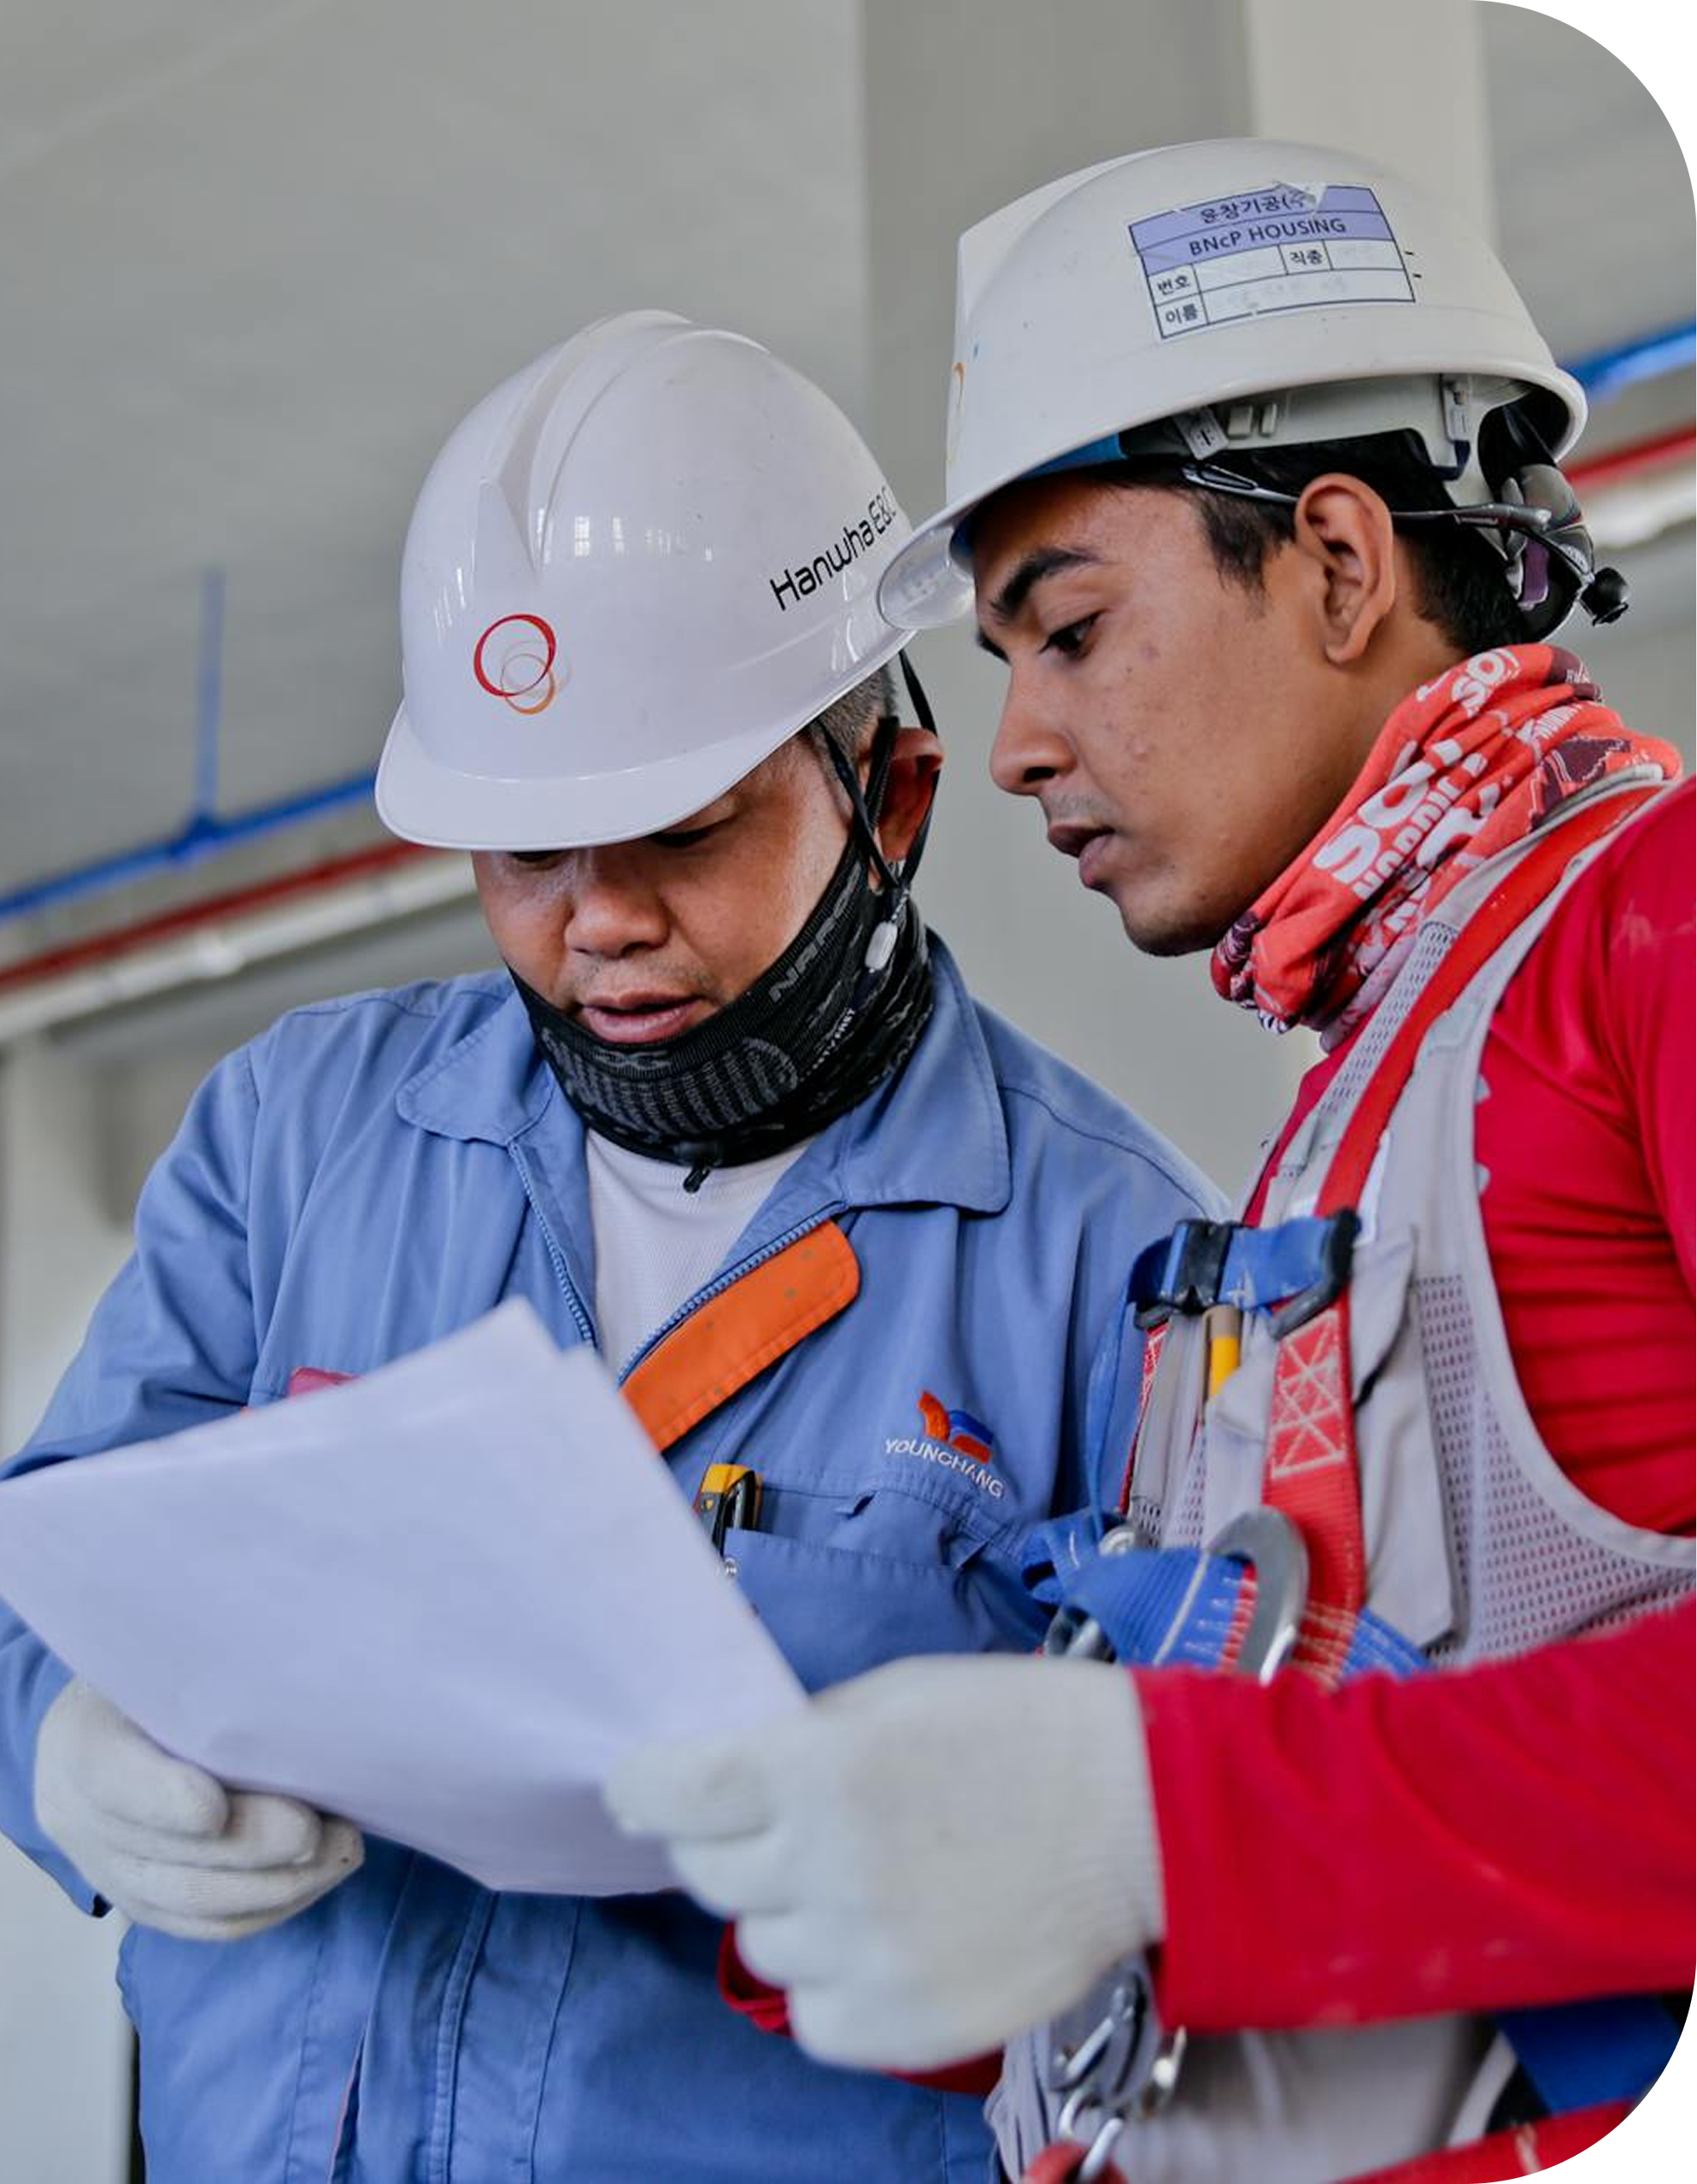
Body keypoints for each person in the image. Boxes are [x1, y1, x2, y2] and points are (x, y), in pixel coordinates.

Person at [0, 310, 1213, 2181]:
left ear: (891, 800)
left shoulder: (1110, 1261)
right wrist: (63, 1743)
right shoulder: (298, 1137)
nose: (594, 922)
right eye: (524, 853)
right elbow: (42, 1543)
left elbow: (1188, 1879)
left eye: (679, 835)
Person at [607, 146, 1697, 2184]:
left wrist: (1157, 1818)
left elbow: (1279, 1829)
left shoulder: (1649, 926)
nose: (1013, 742)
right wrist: (904, 1877)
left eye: (1067, 629)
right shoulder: (1360, 1090)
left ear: (1341, 564)